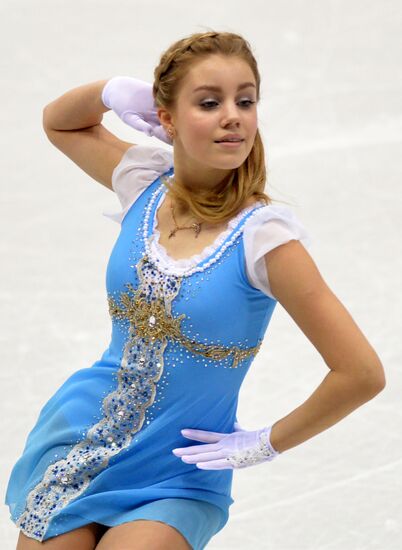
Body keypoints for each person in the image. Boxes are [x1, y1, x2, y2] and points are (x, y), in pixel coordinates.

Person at [5, 30, 386, 550]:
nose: (234, 116)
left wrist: (264, 444)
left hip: (177, 473)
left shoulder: (265, 239)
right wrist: (113, 90)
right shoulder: (142, 185)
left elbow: (361, 373)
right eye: (209, 102)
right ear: (166, 117)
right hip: (84, 438)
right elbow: (59, 121)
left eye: (245, 100)